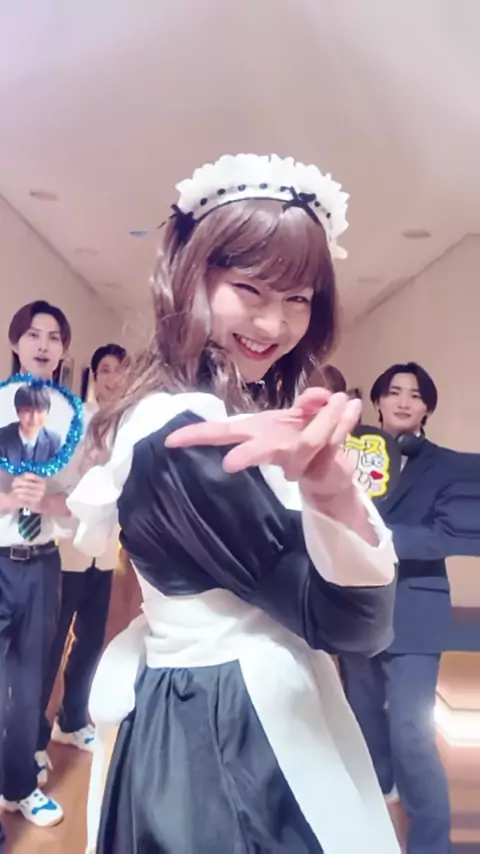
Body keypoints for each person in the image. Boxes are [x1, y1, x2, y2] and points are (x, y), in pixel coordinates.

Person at [69, 153, 400, 854]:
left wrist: (327, 487)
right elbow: (350, 624)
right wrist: (330, 491)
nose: (274, 323)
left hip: (207, 714)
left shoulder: (205, 409)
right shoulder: (187, 431)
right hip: (231, 736)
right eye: (249, 288)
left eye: (299, 299)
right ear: (193, 278)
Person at [339, 361, 480, 854]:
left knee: (411, 733)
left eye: (415, 395)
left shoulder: (450, 465)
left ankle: (431, 844)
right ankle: (379, 821)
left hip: (416, 611)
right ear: (377, 401)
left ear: (427, 409)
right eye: (394, 392)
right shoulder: (349, 455)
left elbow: (448, 535)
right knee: (364, 724)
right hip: (356, 608)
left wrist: (379, 536)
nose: (403, 401)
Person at [0, 300, 77, 828]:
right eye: (33, 334)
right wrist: (10, 499)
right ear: (15, 342)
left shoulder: (74, 419)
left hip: (43, 563)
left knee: (29, 685)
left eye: (53, 337)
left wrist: (48, 501)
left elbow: (85, 497)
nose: (43, 345)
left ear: (64, 349)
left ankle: (18, 786)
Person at [36, 343, 127, 768]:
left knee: (90, 640)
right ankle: (33, 738)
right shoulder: (77, 420)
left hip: (105, 549)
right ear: (94, 376)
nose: (113, 377)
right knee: (52, 644)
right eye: (105, 369)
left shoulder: (130, 423)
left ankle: (71, 720)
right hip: (69, 546)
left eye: (119, 370)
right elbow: (60, 478)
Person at [0, 385, 61, 465]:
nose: (34, 418)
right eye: (27, 411)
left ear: (47, 413)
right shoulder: (2, 438)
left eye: (39, 411)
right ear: (18, 412)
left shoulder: (54, 442)